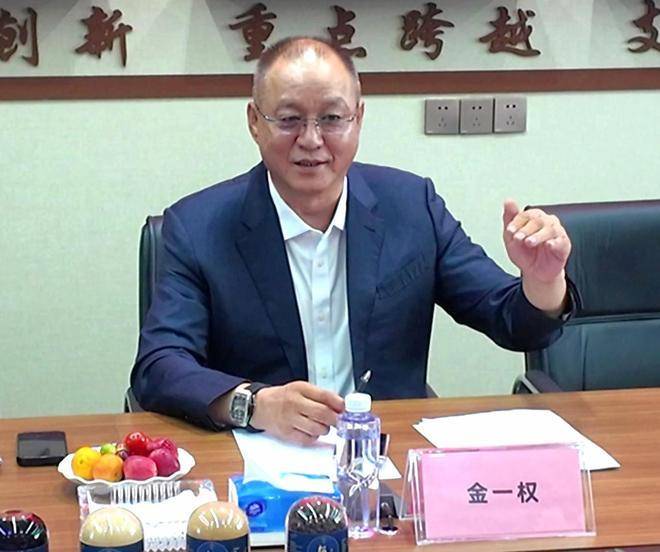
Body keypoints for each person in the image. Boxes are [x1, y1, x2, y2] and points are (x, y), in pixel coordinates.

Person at [132, 36, 574, 445]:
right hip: (259, 459)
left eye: (331, 118)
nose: (311, 140)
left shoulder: (411, 206)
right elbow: (160, 366)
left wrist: (542, 281)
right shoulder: (199, 227)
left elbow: (510, 320)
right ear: (254, 122)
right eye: (288, 119)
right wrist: (255, 404)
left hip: (386, 456)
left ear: (358, 118)